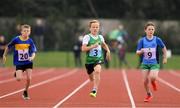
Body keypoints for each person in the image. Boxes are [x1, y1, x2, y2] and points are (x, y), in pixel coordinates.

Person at [3, 24, 37, 100]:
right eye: (25, 31)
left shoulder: (30, 41)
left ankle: (25, 91)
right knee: (18, 79)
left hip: (28, 62)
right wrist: (4, 55)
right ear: (21, 32)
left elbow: (34, 51)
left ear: (30, 32)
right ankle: (17, 72)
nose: (26, 32)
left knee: (29, 78)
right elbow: (8, 46)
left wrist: (32, 57)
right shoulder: (16, 39)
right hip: (19, 62)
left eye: (28, 31)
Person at [136, 22, 167, 102]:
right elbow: (137, 52)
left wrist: (165, 57)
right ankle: (149, 94)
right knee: (145, 81)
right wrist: (141, 51)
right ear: (145, 30)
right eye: (149, 29)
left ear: (154, 30)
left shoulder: (157, 39)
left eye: (152, 29)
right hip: (145, 63)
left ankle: (153, 82)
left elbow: (164, 48)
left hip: (154, 63)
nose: (151, 31)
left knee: (153, 77)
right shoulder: (142, 41)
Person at [81, 20, 111, 97]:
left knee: (97, 71)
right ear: (90, 28)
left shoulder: (100, 37)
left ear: (99, 28)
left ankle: (94, 89)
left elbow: (104, 45)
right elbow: (83, 49)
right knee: (91, 79)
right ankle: (93, 81)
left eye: (97, 27)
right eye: (93, 27)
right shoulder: (87, 37)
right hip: (89, 61)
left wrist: (108, 51)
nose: (95, 28)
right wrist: (92, 46)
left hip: (98, 59)